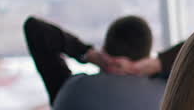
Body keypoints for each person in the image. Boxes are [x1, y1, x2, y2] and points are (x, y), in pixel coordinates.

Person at [23, 14, 185, 104]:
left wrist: (87, 53)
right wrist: (158, 63)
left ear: (104, 53)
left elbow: (35, 28)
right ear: (145, 58)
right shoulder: (167, 93)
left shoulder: (68, 91)